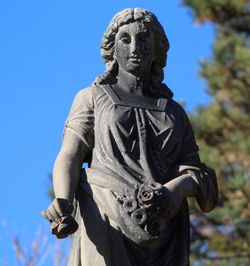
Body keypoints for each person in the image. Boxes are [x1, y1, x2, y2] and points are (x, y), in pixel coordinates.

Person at [42, 8, 218, 266]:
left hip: (165, 230)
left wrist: (176, 190)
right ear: (112, 49)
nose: (136, 47)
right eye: (126, 39)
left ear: (158, 47)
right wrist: (63, 200)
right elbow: (70, 154)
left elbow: (197, 174)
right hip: (106, 215)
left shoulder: (174, 112)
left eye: (144, 39)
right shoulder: (92, 98)